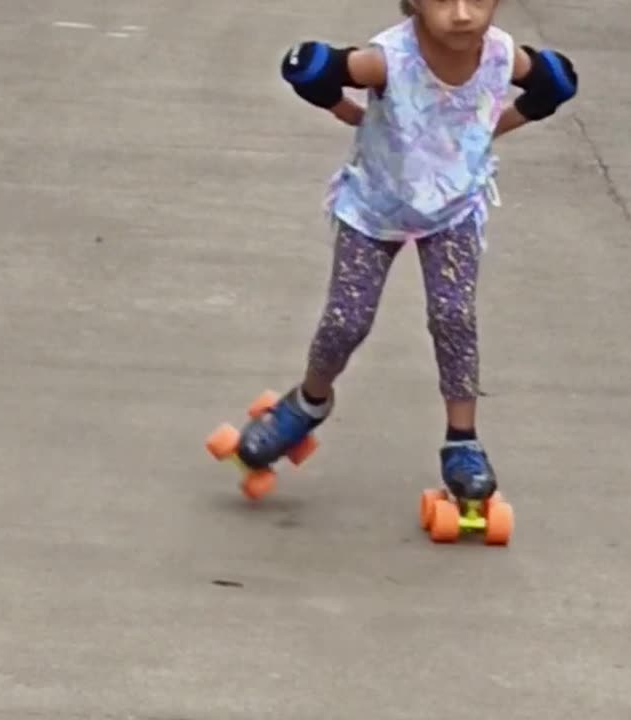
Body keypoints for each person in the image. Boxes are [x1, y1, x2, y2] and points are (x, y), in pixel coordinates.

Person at [235, 0, 578, 503]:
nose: (462, 15)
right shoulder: (389, 59)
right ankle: (307, 403)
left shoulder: (503, 55)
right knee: (346, 321)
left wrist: (492, 126)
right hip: (375, 206)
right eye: (443, 0)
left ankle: (463, 442)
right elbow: (309, 68)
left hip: (454, 207)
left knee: (453, 316)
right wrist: (345, 109)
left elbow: (557, 81)